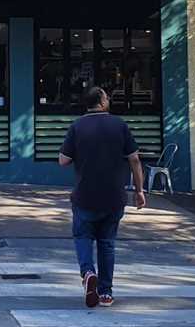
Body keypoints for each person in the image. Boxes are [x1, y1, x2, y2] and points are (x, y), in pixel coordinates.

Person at [59, 86, 146, 309]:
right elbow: (134, 159)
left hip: (84, 195)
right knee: (107, 243)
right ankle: (105, 292)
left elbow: (63, 160)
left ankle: (88, 272)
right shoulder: (120, 125)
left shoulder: (77, 126)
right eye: (107, 96)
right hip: (114, 195)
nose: (108, 99)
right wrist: (139, 190)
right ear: (101, 101)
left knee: (83, 237)